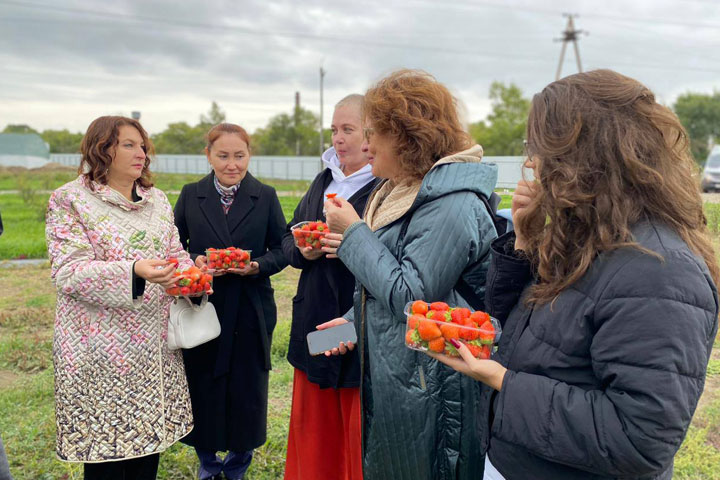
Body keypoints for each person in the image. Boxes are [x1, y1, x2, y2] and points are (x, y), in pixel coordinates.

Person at [430, 69, 720, 480]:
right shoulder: (590, 233)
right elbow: (512, 327)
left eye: (542, 149)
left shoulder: (660, 272)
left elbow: (639, 439)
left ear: (585, 157)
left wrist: (503, 382)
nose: (533, 163)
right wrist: (526, 239)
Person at [321, 70, 499, 479]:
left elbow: (411, 297)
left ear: (407, 137)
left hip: (433, 386)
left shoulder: (450, 204)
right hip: (405, 377)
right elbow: (396, 280)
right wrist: (352, 323)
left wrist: (353, 233)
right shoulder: (405, 190)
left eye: (374, 133)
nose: (365, 146)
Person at [45, 116, 194, 480]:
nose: (141, 152)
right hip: (99, 353)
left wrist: (191, 277)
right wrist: (134, 271)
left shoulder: (157, 200)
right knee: (108, 458)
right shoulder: (70, 200)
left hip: (153, 353)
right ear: (102, 149)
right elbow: (68, 271)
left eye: (143, 145)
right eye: (128, 144)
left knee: (147, 453)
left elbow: (175, 252)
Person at [174, 123, 288, 480]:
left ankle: (238, 464)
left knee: (247, 389)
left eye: (239, 155)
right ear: (208, 155)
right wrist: (197, 262)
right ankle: (208, 463)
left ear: (249, 155)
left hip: (250, 308)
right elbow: (174, 246)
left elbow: (283, 247)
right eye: (223, 156)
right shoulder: (191, 195)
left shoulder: (264, 195)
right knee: (202, 384)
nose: (232, 164)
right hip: (203, 305)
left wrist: (255, 266)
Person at [282, 94, 376, 480]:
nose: (338, 138)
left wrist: (352, 245)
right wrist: (304, 251)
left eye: (348, 130)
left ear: (372, 135)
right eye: (335, 129)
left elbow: (392, 259)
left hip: (356, 322)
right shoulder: (322, 180)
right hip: (316, 317)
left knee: (353, 417)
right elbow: (287, 241)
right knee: (316, 417)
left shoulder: (385, 186)